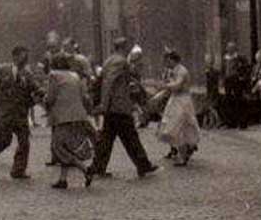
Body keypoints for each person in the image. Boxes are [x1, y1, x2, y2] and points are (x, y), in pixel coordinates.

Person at [86, 37, 159, 182]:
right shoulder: (119, 61)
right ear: (123, 47)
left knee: (107, 139)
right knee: (130, 137)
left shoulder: (109, 61)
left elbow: (104, 82)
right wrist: (105, 104)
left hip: (114, 108)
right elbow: (109, 83)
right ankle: (143, 164)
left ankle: (97, 166)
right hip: (118, 107)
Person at [0, 45, 43, 180]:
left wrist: (37, 97)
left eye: (26, 56)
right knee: (3, 140)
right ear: (15, 56)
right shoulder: (2, 68)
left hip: (21, 112)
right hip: (5, 111)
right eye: (22, 55)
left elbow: (37, 88)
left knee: (24, 142)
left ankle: (18, 170)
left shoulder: (27, 73)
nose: (25, 58)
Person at [44, 52, 95, 190]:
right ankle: (63, 179)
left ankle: (85, 169)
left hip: (63, 116)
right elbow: (83, 95)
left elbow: (50, 98)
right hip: (78, 115)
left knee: (58, 147)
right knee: (66, 146)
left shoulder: (53, 75)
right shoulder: (75, 76)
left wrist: (44, 102)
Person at [157, 48, 200, 166]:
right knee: (174, 126)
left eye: (168, 60)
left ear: (173, 60)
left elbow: (177, 85)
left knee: (180, 126)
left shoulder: (182, 71)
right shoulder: (173, 70)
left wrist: (164, 85)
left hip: (182, 101)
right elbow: (171, 87)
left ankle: (185, 152)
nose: (167, 63)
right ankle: (185, 150)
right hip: (175, 100)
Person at [222, 41, 250, 129]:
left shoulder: (239, 57)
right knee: (229, 100)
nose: (230, 49)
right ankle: (230, 122)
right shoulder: (225, 58)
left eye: (232, 48)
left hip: (236, 80)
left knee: (239, 100)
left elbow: (246, 67)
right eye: (228, 48)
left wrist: (242, 76)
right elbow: (223, 70)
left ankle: (242, 123)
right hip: (228, 81)